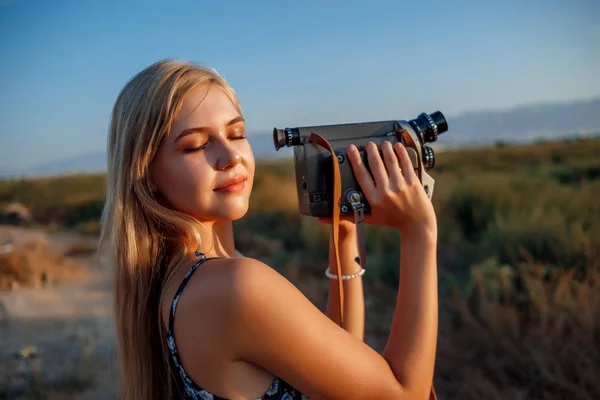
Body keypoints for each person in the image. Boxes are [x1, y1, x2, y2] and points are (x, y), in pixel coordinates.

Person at [100, 59, 438, 400]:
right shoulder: (235, 285)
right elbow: (405, 394)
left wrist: (343, 234)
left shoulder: (186, 279)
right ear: (148, 175)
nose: (230, 155)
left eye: (236, 133)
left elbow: (334, 371)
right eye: (197, 145)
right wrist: (419, 232)